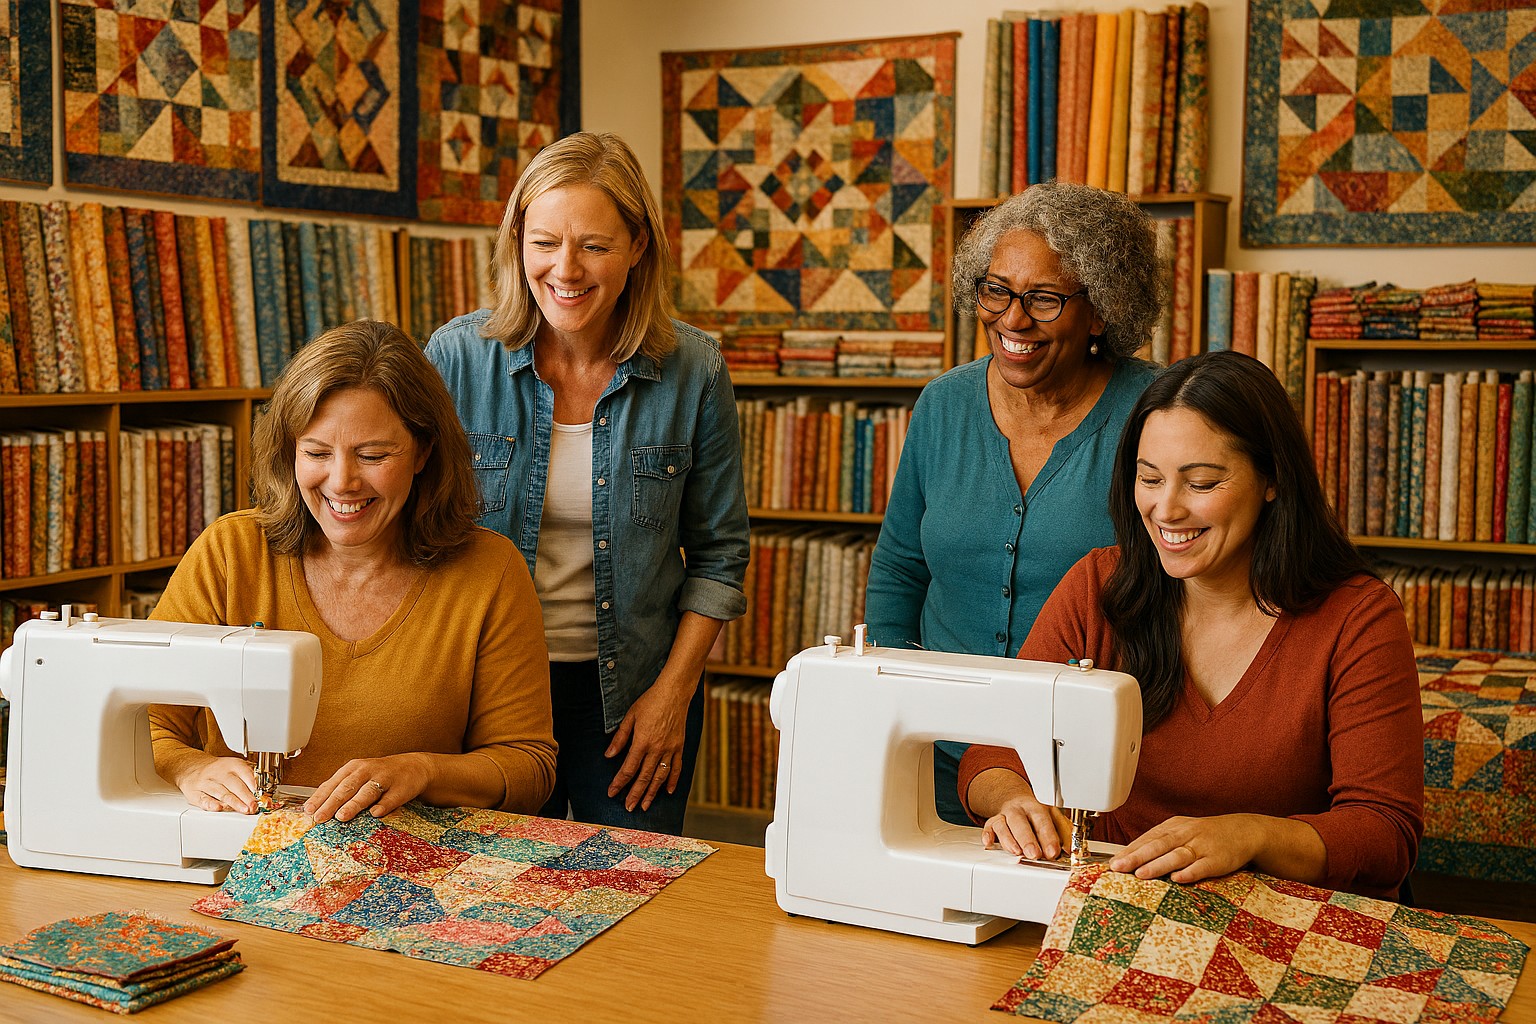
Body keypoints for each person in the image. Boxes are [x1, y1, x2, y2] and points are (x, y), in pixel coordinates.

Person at [960, 351, 1423, 899]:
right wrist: (1015, 800)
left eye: (1201, 483)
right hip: (1122, 906)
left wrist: (1251, 835)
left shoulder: (1358, 618)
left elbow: (1384, 834)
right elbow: (991, 751)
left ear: (1272, 479)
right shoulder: (1098, 587)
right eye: (1149, 478)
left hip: (1286, 920)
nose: (1166, 510)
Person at [426, 131, 749, 835]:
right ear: (518, 242)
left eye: (594, 246)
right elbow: (408, 535)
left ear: (638, 246)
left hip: (635, 697)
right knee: (493, 888)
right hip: (486, 693)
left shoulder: (694, 369)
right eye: (545, 242)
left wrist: (673, 696)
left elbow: (720, 558)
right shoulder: (455, 359)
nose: (565, 269)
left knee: (633, 884)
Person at [150, 320, 557, 824]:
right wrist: (189, 767)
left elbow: (527, 768)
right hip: (241, 847)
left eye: (372, 455)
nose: (342, 482)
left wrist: (422, 771)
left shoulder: (489, 572)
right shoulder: (231, 555)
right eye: (316, 453)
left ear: (423, 452)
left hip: (409, 862)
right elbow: (146, 722)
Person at [865, 182, 1162, 824]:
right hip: (937, 754)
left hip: (1096, 760)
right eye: (995, 290)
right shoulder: (943, 405)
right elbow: (899, 569)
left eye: (1044, 299)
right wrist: (898, 703)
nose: (1012, 320)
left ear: (1102, 309)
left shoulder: (1157, 411)